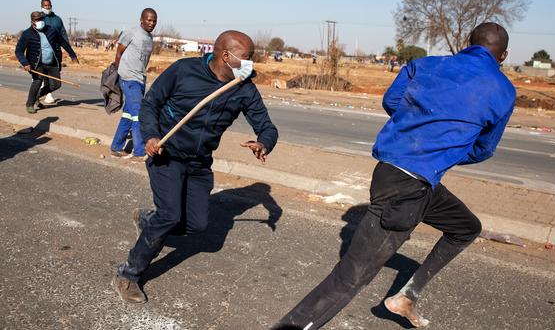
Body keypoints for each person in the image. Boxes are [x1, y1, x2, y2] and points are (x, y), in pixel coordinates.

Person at [273, 22, 516, 330]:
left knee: (466, 227)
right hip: (406, 189)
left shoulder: (425, 65)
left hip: (404, 177)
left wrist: (415, 129)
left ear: (468, 42)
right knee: (349, 279)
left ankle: (407, 296)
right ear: (504, 56)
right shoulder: (505, 90)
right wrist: (445, 150)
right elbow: (483, 149)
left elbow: (391, 101)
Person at [112, 30, 278, 304]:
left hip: (200, 162)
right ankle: (127, 274)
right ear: (226, 56)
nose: (252, 63)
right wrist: (151, 136)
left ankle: (147, 221)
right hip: (166, 154)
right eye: (247, 58)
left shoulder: (244, 87)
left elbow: (266, 126)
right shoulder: (184, 71)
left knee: (197, 225)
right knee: (169, 216)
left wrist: (264, 142)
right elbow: (151, 104)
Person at [109, 8, 157, 159]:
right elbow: (119, 52)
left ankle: (116, 146)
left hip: (140, 78)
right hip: (128, 78)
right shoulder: (132, 32)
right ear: (141, 20)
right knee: (139, 115)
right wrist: (118, 72)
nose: (152, 23)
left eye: (154, 20)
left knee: (129, 115)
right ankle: (139, 151)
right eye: (149, 20)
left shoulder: (150, 38)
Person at [15, 11, 78, 114]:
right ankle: (29, 104)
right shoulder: (27, 34)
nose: (40, 21)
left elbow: (63, 42)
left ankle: (37, 97)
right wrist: (25, 63)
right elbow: (18, 50)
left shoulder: (51, 30)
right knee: (37, 82)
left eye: (41, 19)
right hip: (36, 63)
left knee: (56, 84)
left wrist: (72, 55)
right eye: (37, 20)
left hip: (52, 62)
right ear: (32, 22)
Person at [40, 0, 71, 105]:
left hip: (56, 51)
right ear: (42, 6)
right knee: (44, 73)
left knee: (55, 73)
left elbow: (63, 34)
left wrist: (67, 48)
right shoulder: (39, 18)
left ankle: (45, 92)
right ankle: (47, 94)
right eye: (45, 6)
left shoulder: (57, 19)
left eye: (49, 5)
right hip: (43, 51)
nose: (47, 7)